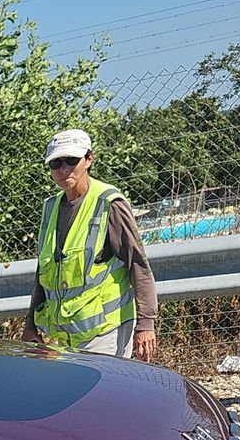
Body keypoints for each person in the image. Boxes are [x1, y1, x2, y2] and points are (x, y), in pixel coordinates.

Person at [21, 129, 157, 361]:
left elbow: (138, 263)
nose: (64, 169)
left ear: (88, 159)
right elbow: (44, 272)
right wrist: (31, 324)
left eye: (72, 160)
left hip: (106, 332)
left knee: (104, 396)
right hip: (65, 335)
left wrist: (146, 323)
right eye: (56, 163)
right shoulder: (50, 207)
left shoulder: (108, 203)